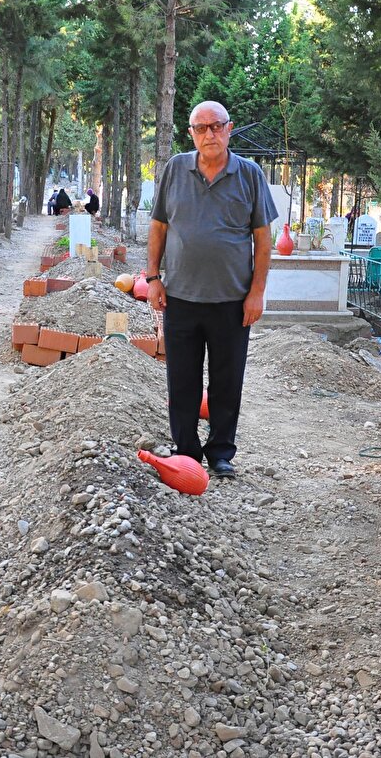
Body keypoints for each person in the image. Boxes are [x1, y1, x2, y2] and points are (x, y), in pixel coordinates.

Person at [146, 100, 276, 479]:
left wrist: (257, 292)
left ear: (229, 128)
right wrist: (153, 278)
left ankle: (221, 452)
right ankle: (185, 450)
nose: (210, 134)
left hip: (232, 301)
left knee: (227, 380)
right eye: (201, 128)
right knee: (182, 380)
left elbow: (263, 241)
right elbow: (158, 227)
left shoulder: (250, 175)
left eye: (216, 126)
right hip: (181, 297)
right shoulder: (175, 169)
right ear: (191, 134)